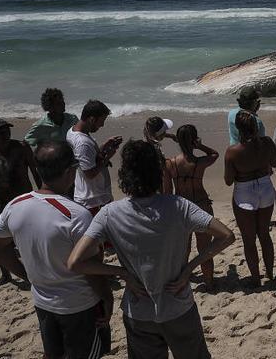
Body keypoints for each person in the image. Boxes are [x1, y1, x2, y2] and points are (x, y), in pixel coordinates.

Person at [67, 139, 235, 359]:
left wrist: (122, 273)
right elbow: (227, 236)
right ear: (157, 172)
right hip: (178, 306)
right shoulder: (179, 206)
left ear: (124, 174)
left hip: (138, 311)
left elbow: (75, 263)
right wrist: (189, 269)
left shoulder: (109, 213)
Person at [0, 141, 113, 359]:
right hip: (79, 305)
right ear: (68, 171)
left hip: (43, 301)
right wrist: (107, 298)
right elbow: (91, 269)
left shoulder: (16, 205)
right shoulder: (76, 214)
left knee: (53, 354)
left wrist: (25, 274)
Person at [0, 118, 41, 287]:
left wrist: (44, 196)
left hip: (25, 202)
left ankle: (36, 273)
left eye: (7, 131)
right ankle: (6, 274)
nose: (6, 134)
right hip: (0, 203)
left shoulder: (21, 147)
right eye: (1, 132)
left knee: (30, 241)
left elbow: (36, 172)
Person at [224, 111, 276, 286]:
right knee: (264, 234)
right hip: (265, 187)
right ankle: (270, 273)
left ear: (238, 128)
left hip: (244, 190)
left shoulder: (233, 151)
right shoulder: (267, 143)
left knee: (249, 239)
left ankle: (256, 278)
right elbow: (275, 163)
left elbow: (228, 181)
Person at [163, 124, 219, 289]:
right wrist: (200, 145)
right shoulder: (200, 162)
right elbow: (214, 154)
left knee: (183, 249)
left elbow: (167, 192)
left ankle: (182, 279)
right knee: (204, 249)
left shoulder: (170, 164)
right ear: (194, 139)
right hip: (201, 205)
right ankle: (209, 282)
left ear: (178, 141)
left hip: (181, 207)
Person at [67, 100, 121, 214]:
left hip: (87, 195)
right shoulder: (82, 142)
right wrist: (107, 158)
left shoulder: (72, 131)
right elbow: (89, 173)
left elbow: (86, 159)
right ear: (92, 119)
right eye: (101, 121)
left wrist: (104, 145)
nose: (102, 125)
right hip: (94, 200)